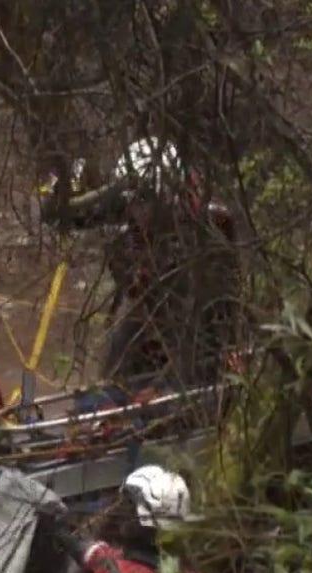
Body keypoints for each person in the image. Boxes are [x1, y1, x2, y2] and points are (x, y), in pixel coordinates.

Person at [96, 137, 241, 389]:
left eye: (142, 200)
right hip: (151, 330)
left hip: (203, 329)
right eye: (130, 201)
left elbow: (223, 302)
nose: (135, 210)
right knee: (122, 338)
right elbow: (131, 302)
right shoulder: (126, 240)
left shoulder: (210, 225)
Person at [56, 464, 199, 573]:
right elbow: (109, 558)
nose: (119, 511)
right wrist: (71, 542)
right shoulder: (178, 569)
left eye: (129, 505)